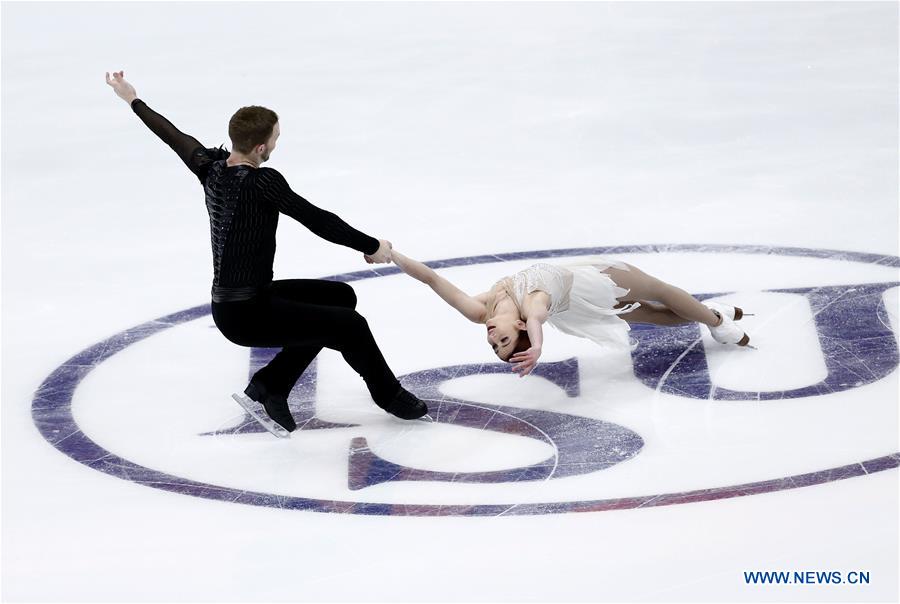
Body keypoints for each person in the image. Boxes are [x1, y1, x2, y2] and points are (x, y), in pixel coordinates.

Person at [105, 70, 427, 436]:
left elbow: (172, 135)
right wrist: (372, 246)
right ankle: (390, 396)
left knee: (339, 297)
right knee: (350, 325)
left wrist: (132, 99)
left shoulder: (209, 168)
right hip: (248, 314)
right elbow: (315, 219)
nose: (276, 142)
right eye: (275, 137)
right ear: (261, 147)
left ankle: (271, 385)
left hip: (240, 303)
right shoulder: (263, 182)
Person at [390, 250, 751, 377]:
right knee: (655, 305)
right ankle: (716, 320)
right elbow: (537, 318)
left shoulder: (480, 311)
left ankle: (712, 317)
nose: (492, 338)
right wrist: (537, 348)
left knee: (657, 300)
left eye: (494, 344)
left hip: (580, 291)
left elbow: (432, 280)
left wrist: (391, 254)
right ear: (519, 325)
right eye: (504, 341)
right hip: (591, 288)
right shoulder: (532, 306)